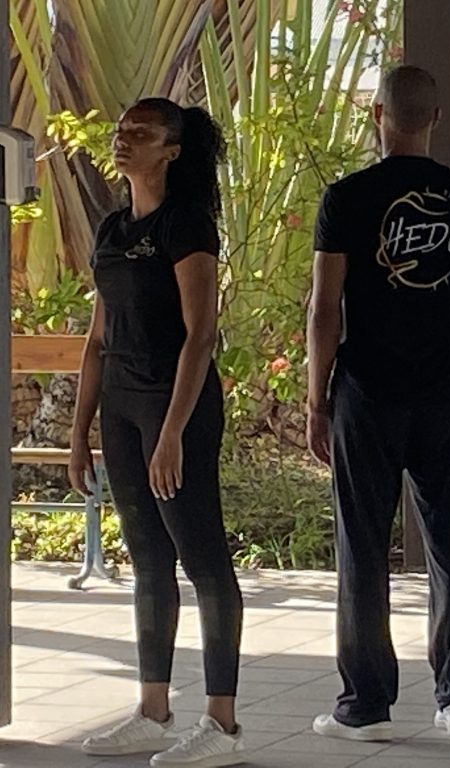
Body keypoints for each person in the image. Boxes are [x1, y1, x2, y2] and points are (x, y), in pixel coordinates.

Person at [306, 65, 450, 743]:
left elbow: (325, 308)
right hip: (442, 391)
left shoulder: (347, 198)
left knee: (362, 546)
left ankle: (366, 704)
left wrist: (316, 398)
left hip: (367, 391)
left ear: (377, 115)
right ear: (435, 119)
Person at [70, 98, 245, 767]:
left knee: (202, 558)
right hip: (121, 406)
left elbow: (201, 335)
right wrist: (81, 431)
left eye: (140, 133)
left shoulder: (185, 224)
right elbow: (98, 338)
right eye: (121, 131)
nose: (124, 140)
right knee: (147, 559)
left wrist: (173, 430)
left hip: (176, 406)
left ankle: (223, 723)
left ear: (171, 150)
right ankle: (152, 711)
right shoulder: (113, 227)